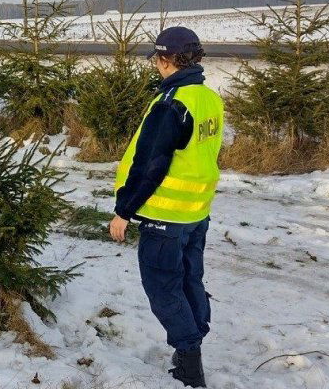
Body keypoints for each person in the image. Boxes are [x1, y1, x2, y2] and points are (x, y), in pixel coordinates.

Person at [108, 26, 223, 388]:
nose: (155, 65)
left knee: (163, 287)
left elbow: (150, 165)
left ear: (166, 60)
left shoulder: (171, 103)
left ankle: (189, 361)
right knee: (189, 277)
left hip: (165, 215)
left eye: (156, 59)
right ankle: (195, 334)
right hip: (196, 212)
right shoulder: (209, 98)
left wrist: (124, 211)